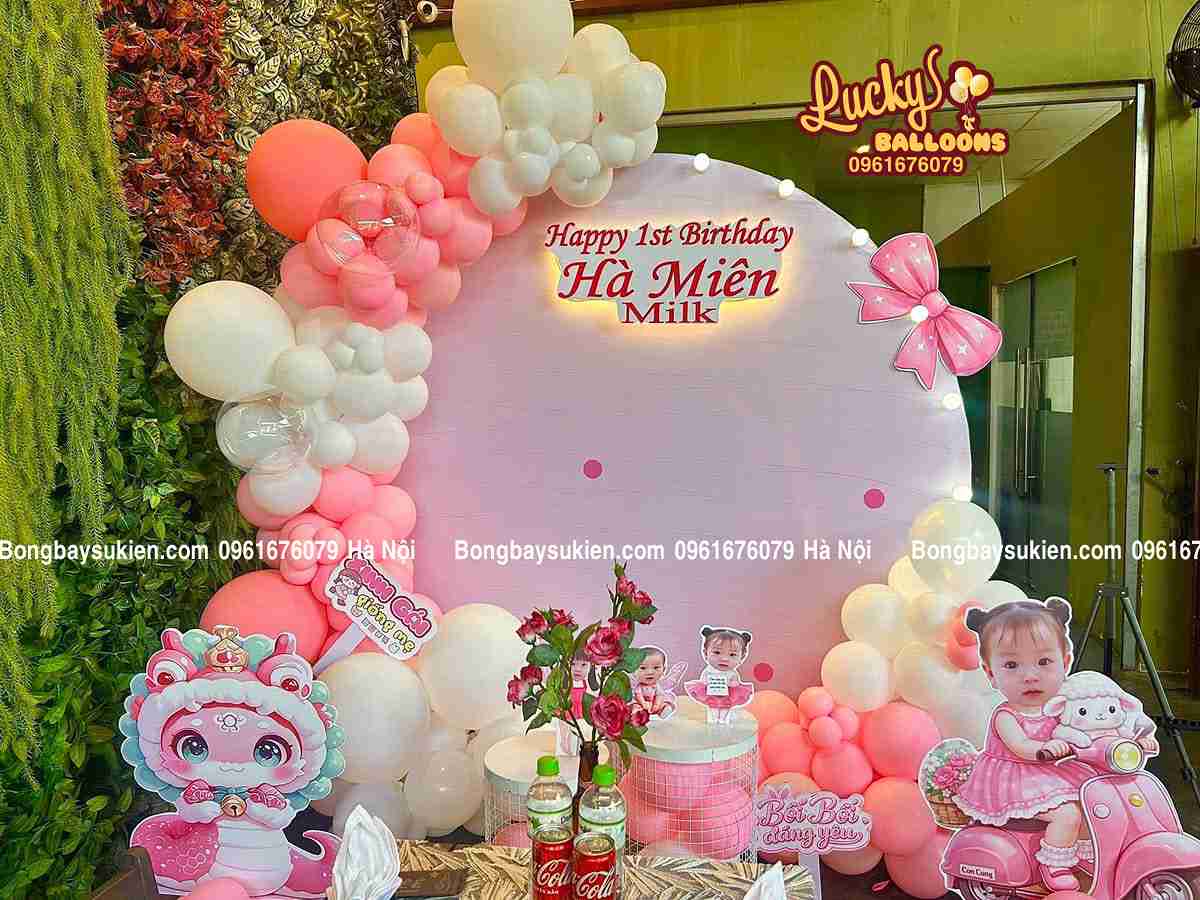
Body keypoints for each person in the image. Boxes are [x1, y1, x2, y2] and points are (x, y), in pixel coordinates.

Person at [953, 598, 1095, 891]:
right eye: (1011, 665)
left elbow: (1092, 725)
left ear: (1065, 662)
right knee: (1067, 813)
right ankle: (1054, 864)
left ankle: (1082, 854)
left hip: (1053, 776)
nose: (1030, 676)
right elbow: (1021, 746)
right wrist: (1046, 748)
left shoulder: (1064, 705)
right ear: (991, 673)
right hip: (1014, 782)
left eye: (1043, 662)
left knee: (1094, 801)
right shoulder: (1006, 715)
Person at [683, 627, 754, 723]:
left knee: (725, 708)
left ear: (742, 656)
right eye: (717, 652)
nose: (724, 659)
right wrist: (707, 681)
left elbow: (735, 683)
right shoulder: (708, 671)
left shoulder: (732, 673)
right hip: (711, 694)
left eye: (732, 654)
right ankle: (713, 720)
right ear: (705, 653)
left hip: (728, 696)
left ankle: (723, 720)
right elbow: (704, 680)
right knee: (712, 708)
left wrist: (731, 683)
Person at [631, 646, 685, 720]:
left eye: (656, 668)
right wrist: (643, 704)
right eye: (643, 668)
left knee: (666, 701)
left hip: (656, 702)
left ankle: (663, 710)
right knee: (634, 704)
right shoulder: (638, 687)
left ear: (664, 670)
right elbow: (638, 696)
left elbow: (659, 696)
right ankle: (638, 713)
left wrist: (656, 705)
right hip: (641, 703)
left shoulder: (657, 686)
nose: (650, 672)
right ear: (633, 670)